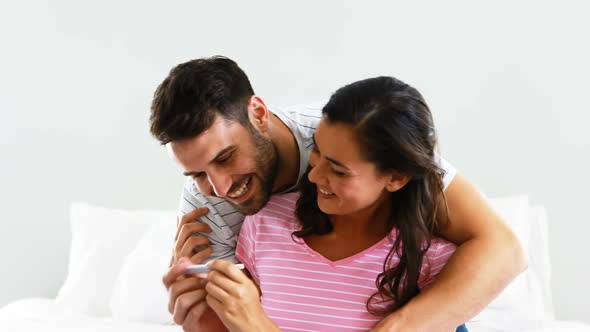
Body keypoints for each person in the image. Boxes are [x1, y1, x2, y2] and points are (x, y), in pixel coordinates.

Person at [152, 56, 525, 331]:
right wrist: (199, 318)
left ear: (259, 114)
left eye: (226, 157)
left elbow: (502, 249)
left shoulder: (345, 128)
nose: (219, 189)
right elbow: (231, 320)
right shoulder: (214, 213)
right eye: (197, 173)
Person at [198, 76, 467, 331]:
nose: (314, 175)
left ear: (395, 177)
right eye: (316, 150)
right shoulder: (264, 223)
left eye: (338, 170)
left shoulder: (428, 260)